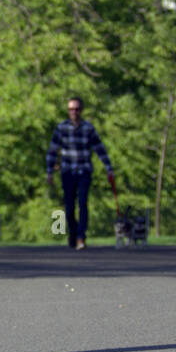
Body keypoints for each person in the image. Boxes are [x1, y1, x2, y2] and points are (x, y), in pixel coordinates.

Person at [46, 97, 114, 250]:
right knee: (69, 207)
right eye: (71, 109)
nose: (74, 112)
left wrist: (108, 167)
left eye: (76, 109)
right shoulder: (61, 128)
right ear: (68, 111)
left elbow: (99, 149)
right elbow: (52, 150)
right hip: (67, 171)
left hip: (84, 170)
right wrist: (49, 171)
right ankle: (73, 233)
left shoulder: (88, 128)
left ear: (81, 110)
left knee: (83, 203)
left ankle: (81, 237)